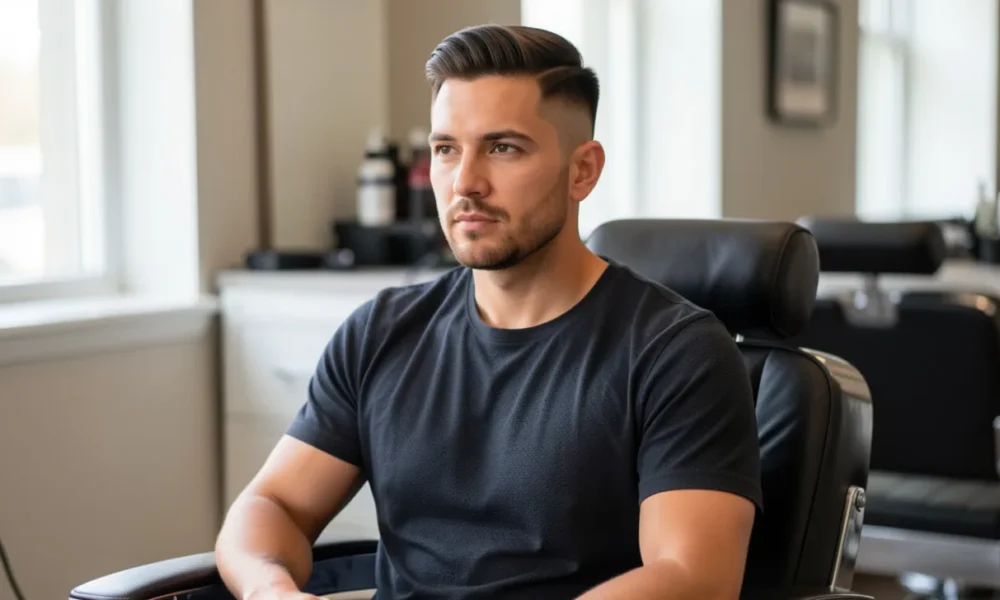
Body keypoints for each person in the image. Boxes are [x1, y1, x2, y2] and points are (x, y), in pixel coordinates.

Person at [215, 24, 762, 600]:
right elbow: (273, 504)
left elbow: (693, 576)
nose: (465, 183)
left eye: (503, 148)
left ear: (582, 171)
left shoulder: (676, 352)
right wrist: (268, 589)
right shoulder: (379, 333)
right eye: (446, 149)